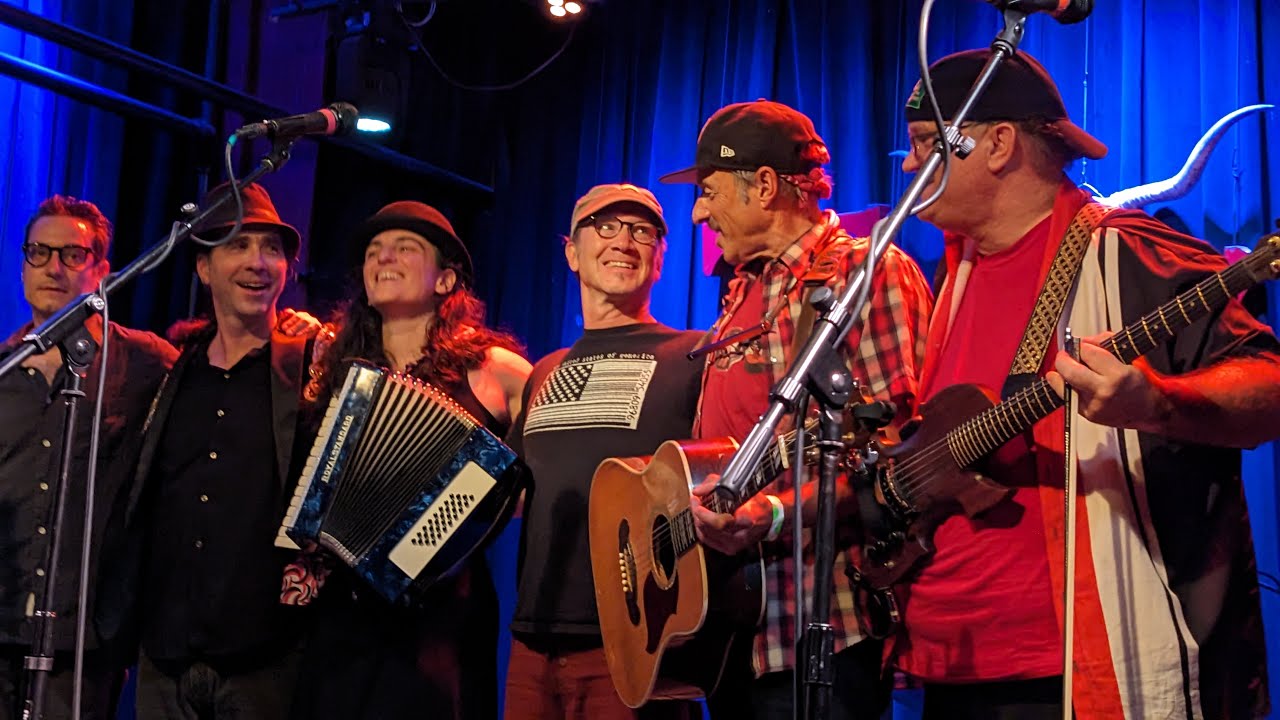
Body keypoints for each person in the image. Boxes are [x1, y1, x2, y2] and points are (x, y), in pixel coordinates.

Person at [892, 48, 1280, 719]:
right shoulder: (953, 276)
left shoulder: (1128, 250)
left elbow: (1270, 387)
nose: (907, 166)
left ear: (997, 144)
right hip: (953, 668)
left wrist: (1159, 404)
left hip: (1072, 674)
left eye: (926, 144)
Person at [660, 99, 935, 720]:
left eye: (708, 192)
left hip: (820, 626)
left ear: (763, 186)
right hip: (730, 632)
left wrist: (774, 514)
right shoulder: (742, 291)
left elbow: (895, 453)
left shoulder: (866, 271)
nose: (698, 212)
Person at [290, 200, 531, 720]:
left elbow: (542, 474)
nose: (384, 257)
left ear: (446, 280)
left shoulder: (493, 369)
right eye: (374, 251)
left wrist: (480, 509)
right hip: (341, 615)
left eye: (405, 248)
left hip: (442, 617)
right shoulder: (328, 371)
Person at [107, 181, 318, 720]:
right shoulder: (168, 370)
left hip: (266, 657)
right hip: (165, 654)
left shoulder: (311, 372)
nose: (258, 262)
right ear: (203, 267)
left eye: (271, 248)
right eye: (237, 245)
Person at [502, 183, 704, 720]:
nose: (624, 242)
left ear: (661, 258)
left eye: (642, 231)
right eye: (606, 227)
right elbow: (514, 496)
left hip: (639, 644)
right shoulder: (546, 370)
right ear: (572, 252)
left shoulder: (693, 355)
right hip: (533, 639)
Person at [0, 195, 178, 720]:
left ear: (102, 271)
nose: (53, 268)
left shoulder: (144, 361)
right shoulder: (4, 370)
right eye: (38, 252)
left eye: (73, 255)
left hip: (83, 642)